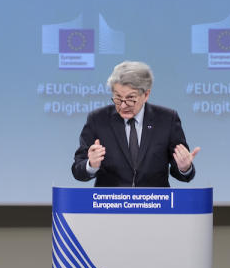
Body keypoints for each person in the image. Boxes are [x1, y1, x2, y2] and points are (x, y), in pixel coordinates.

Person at [72, 60, 200, 187]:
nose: (123, 105)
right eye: (117, 98)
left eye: (130, 98)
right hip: (110, 204)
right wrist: (91, 165)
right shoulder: (98, 119)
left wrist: (184, 167)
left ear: (146, 94)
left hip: (155, 203)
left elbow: (182, 173)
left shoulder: (167, 119)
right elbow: (78, 170)